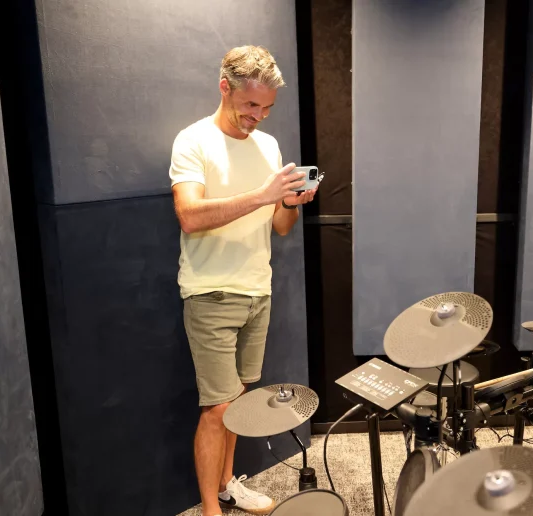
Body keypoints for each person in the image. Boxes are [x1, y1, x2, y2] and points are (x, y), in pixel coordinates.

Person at [169, 45, 315, 516]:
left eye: (267, 107)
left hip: (258, 290)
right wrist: (263, 194)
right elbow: (189, 216)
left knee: (238, 400)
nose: (259, 116)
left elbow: (280, 226)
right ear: (224, 88)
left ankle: (227, 485)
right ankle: (211, 509)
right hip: (210, 293)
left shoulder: (268, 146)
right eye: (251, 104)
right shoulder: (193, 141)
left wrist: (289, 202)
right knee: (217, 408)